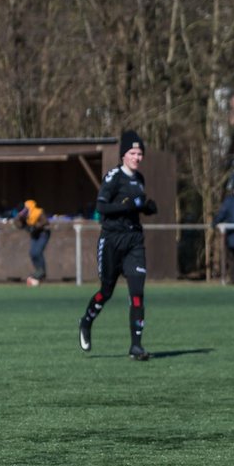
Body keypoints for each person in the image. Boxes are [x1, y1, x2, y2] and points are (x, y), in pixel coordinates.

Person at [78, 130, 158, 360]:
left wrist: (146, 208)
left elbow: (135, 206)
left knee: (137, 293)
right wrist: (130, 206)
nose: (137, 157)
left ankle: (136, 346)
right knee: (107, 291)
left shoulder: (139, 179)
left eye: (140, 153)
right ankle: (86, 321)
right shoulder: (113, 177)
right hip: (112, 240)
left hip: (134, 241)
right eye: (133, 152)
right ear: (123, 154)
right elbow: (101, 208)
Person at [14, 199, 51, 286]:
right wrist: (22, 222)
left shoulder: (38, 212)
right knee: (32, 253)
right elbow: (17, 223)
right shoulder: (22, 215)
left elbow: (45, 221)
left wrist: (36, 226)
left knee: (37, 252)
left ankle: (42, 271)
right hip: (34, 235)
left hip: (43, 234)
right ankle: (38, 271)